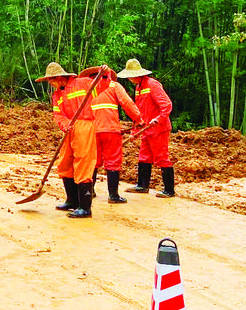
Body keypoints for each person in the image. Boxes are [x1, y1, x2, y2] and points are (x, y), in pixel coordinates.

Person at [36, 62, 101, 218]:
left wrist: (103, 73)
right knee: (65, 162)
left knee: (83, 163)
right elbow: (58, 114)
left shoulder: (82, 83)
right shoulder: (57, 95)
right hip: (69, 128)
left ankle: (85, 207)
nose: (50, 84)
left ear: (59, 77)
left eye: (51, 80)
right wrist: (65, 125)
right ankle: (72, 201)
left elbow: (103, 84)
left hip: (84, 125)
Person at [79, 66, 144, 204]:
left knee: (93, 161)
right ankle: (113, 196)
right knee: (113, 161)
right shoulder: (114, 85)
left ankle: (89, 192)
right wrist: (138, 119)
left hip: (91, 129)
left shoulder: (85, 87)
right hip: (110, 129)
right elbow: (127, 103)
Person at [117, 58, 175, 198]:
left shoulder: (152, 85)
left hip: (158, 128)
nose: (129, 79)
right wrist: (134, 130)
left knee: (161, 157)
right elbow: (139, 110)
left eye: (130, 76)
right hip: (146, 128)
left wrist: (158, 119)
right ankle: (142, 185)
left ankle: (169, 190)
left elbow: (166, 105)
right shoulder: (138, 88)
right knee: (144, 157)